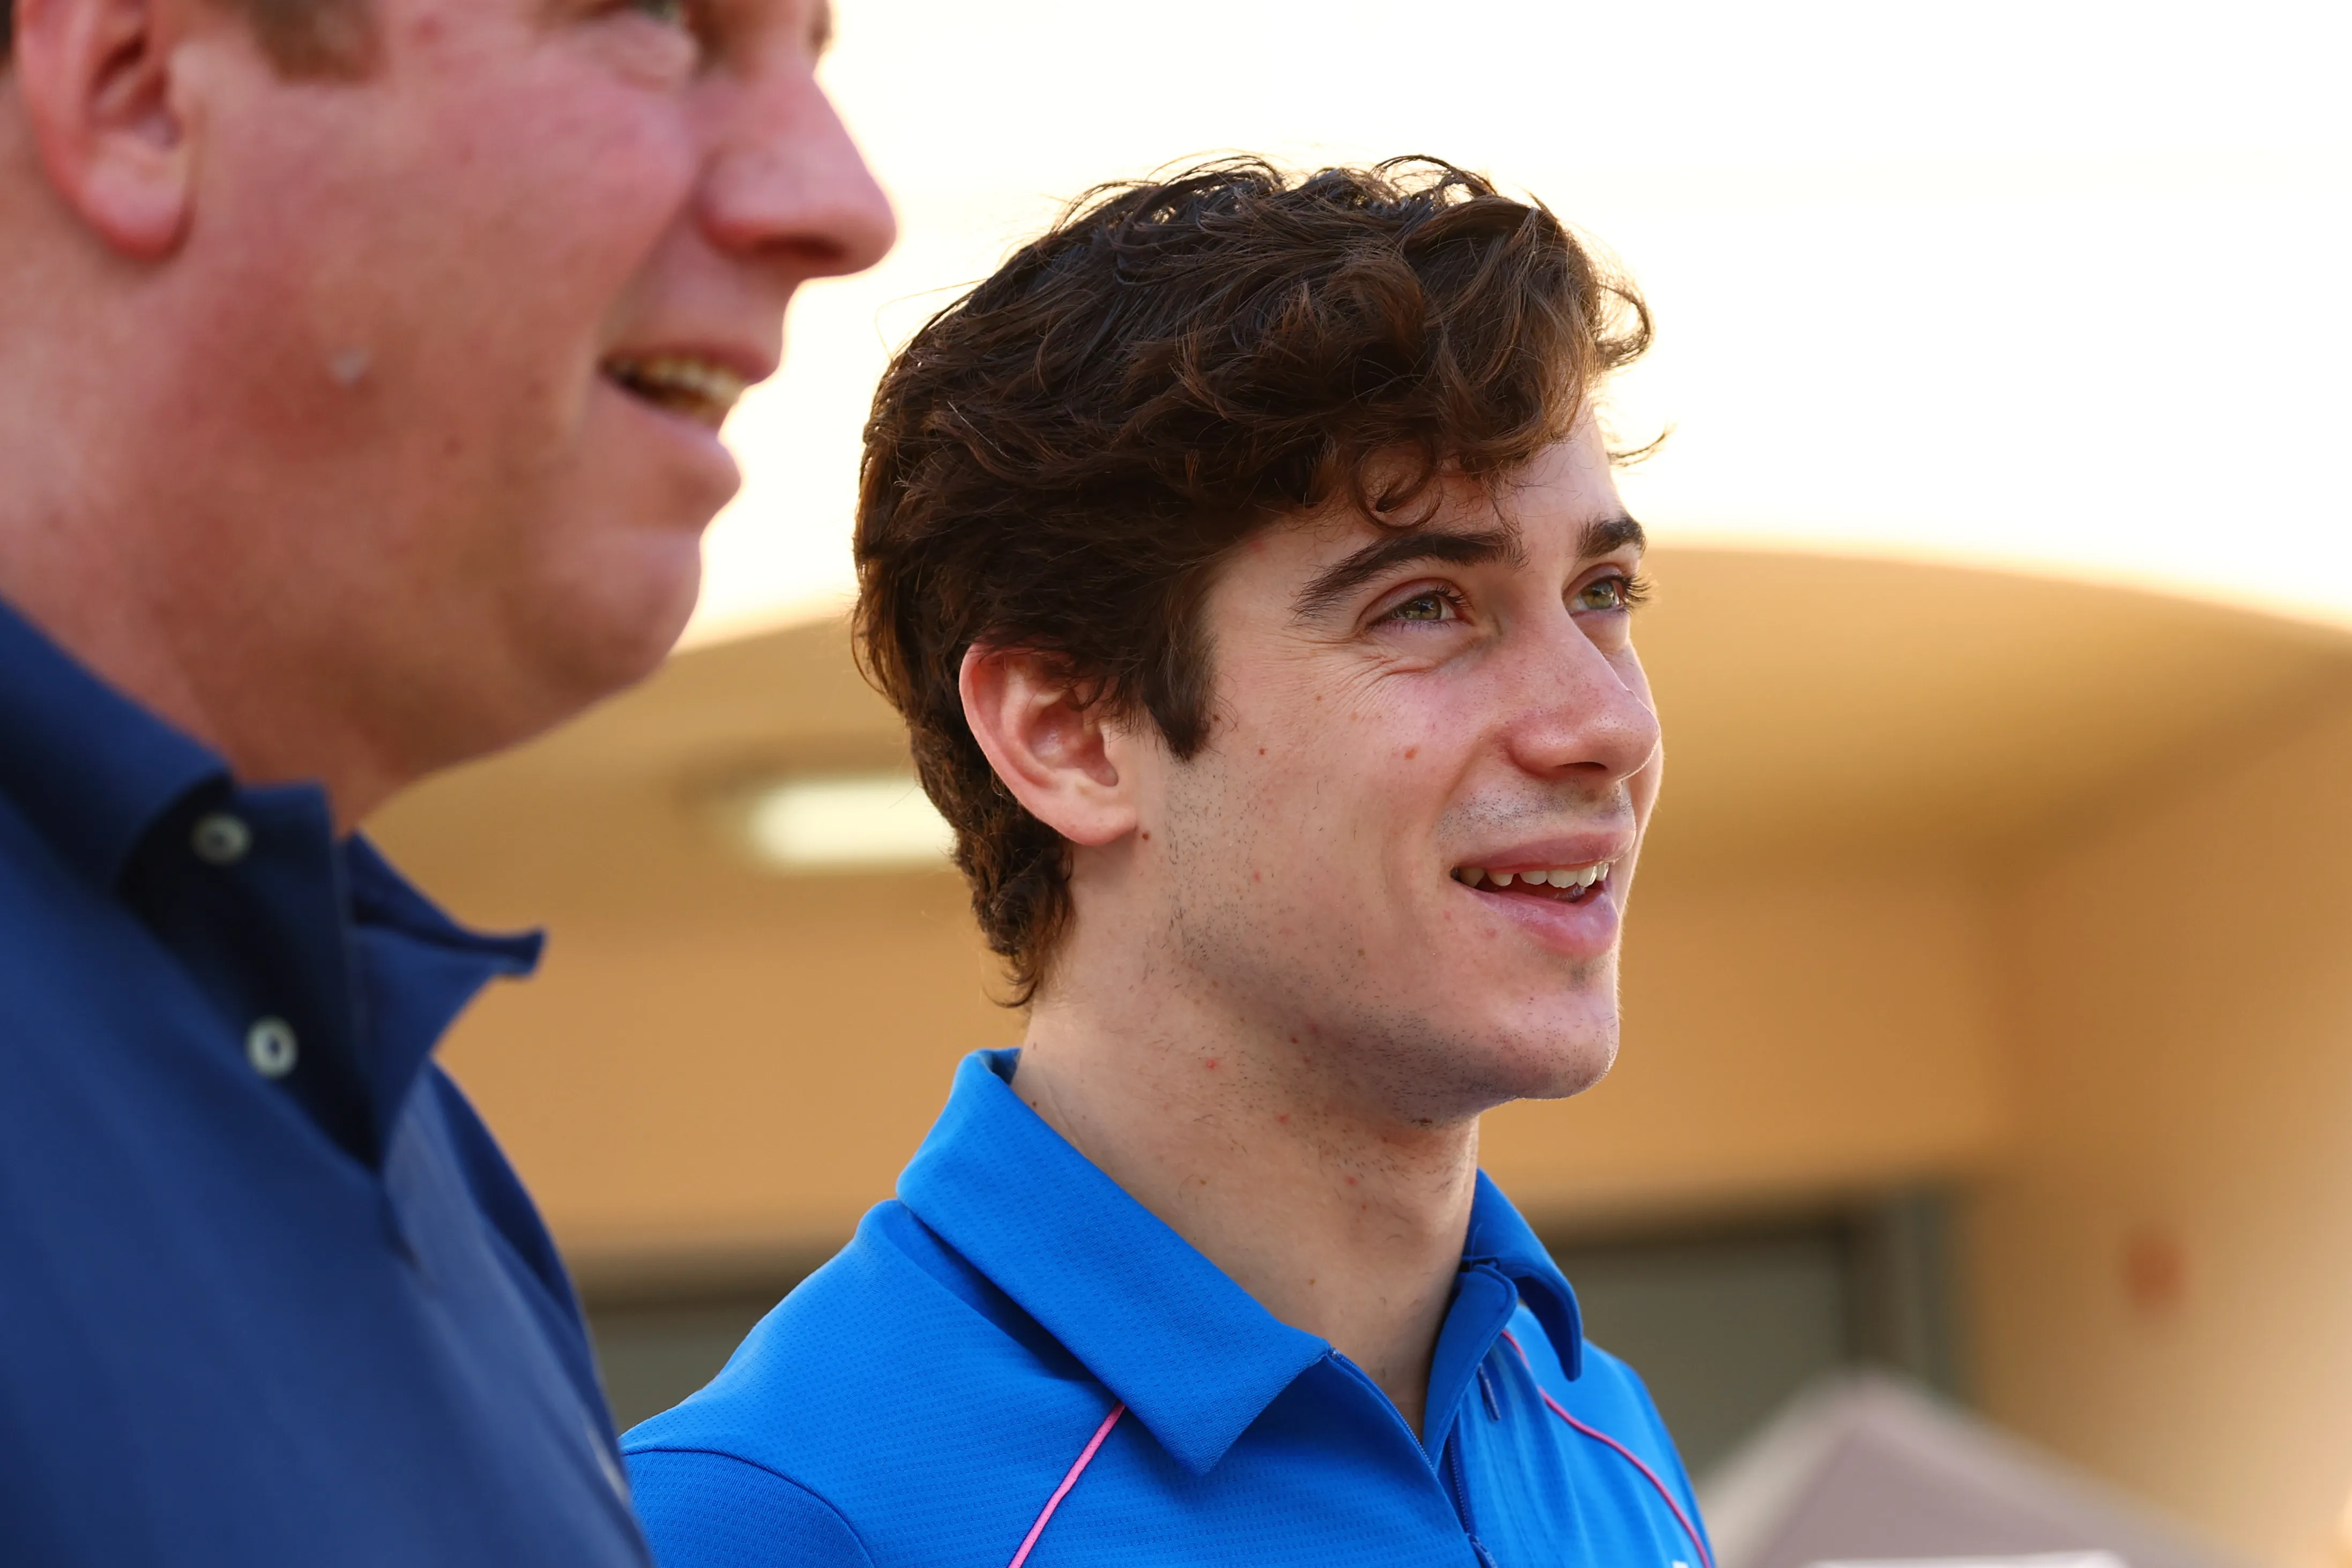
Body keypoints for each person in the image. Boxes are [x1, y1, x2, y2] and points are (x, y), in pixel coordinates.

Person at [625, 158, 1708, 1568]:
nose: (1606, 722)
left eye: (1601, 594)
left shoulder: (1597, 1431)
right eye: (1427, 605)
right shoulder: (756, 1520)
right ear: (1070, 733)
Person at [0, 0, 892, 1561]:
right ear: (140, 92)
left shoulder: (430, 1161)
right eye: (662, 24)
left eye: (807, 57)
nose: (840, 204)